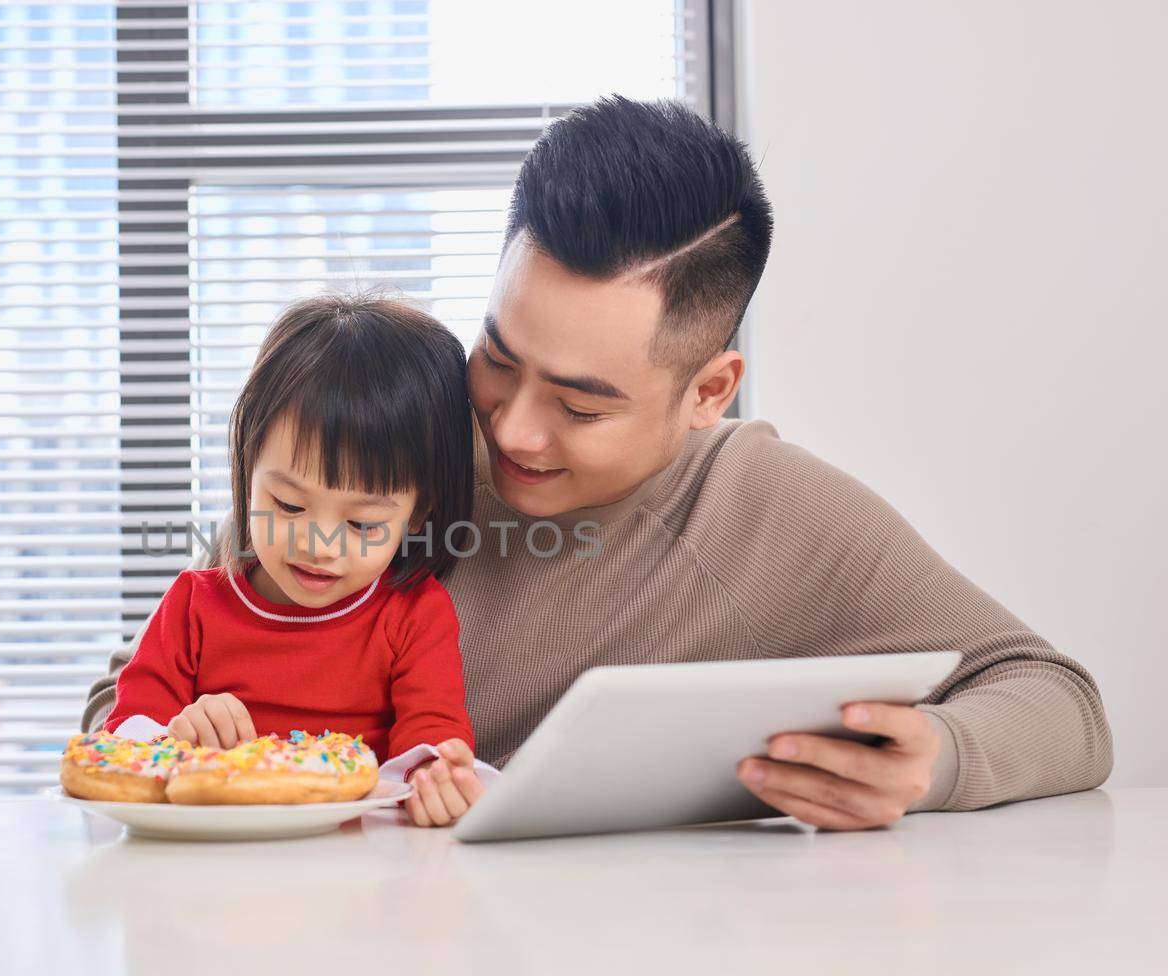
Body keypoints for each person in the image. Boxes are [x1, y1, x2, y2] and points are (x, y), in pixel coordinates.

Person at [87, 96, 1112, 831]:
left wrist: (932, 764)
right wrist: (199, 749)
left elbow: (1055, 698)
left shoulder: (765, 513)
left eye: (580, 403)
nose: (512, 430)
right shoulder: (379, 451)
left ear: (710, 391)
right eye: (498, 356)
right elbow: (121, 710)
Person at [96, 293, 479, 822]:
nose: (320, 545)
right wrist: (176, 736)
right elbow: (125, 734)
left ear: (417, 515)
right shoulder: (194, 604)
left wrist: (433, 777)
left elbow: (430, 735)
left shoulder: (414, 613)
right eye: (289, 504)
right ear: (248, 470)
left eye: (363, 523)